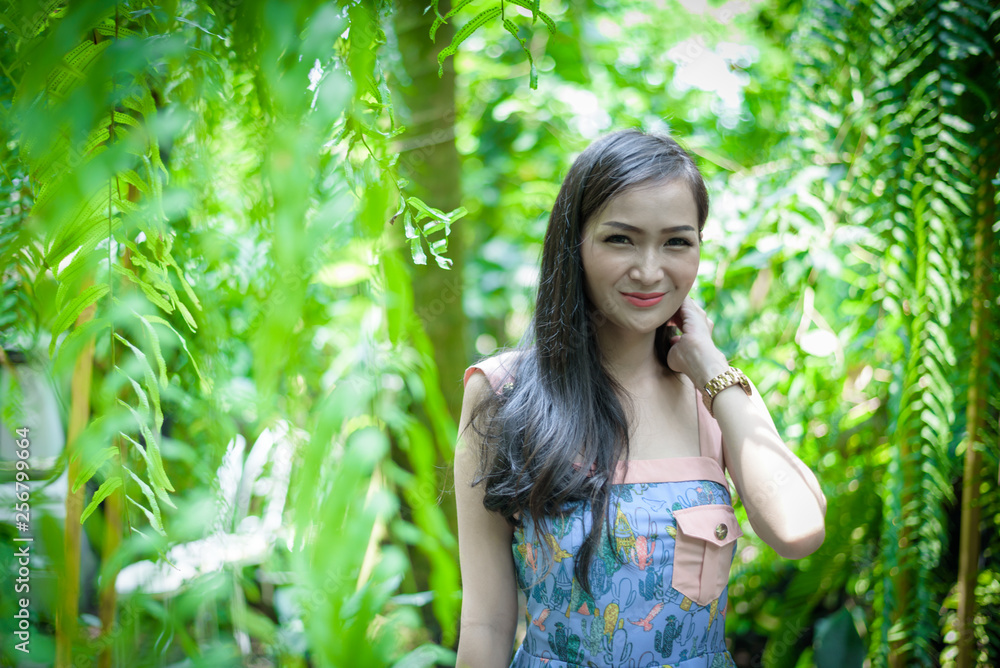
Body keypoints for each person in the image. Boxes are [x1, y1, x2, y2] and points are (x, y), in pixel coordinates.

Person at [454, 129, 827, 667]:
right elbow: (486, 623)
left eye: (677, 241)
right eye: (621, 239)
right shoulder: (504, 393)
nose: (650, 271)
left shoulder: (719, 396)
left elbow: (798, 532)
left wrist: (711, 369)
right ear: (574, 244)